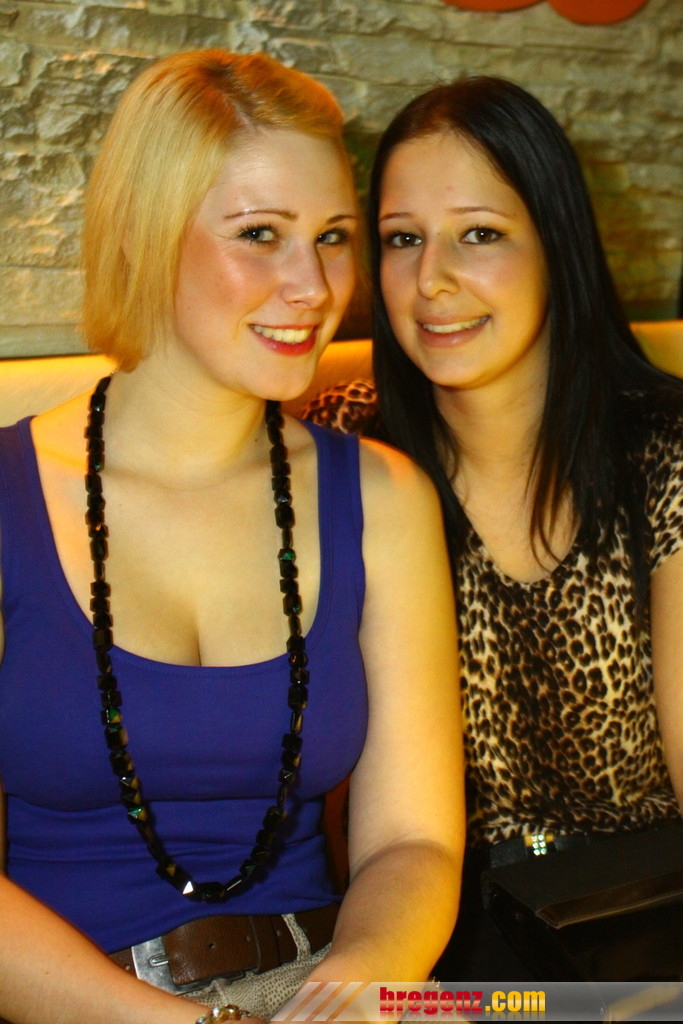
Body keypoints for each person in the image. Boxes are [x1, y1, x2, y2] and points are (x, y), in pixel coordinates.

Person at [0, 50, 465, 1023]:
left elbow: (413, 842)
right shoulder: (9, 492)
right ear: (144, 237)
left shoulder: (383, 496)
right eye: (260, 234)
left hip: (317, 986)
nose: (313, 286)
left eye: (332, 237)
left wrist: (356, 987)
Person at [304, 75, 683, 980]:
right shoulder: (342, 451)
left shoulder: (662, 453)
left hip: (643, 917)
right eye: (402, 239)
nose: (431, 279)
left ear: (556, 243)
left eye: (479, 233)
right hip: (432, 935)